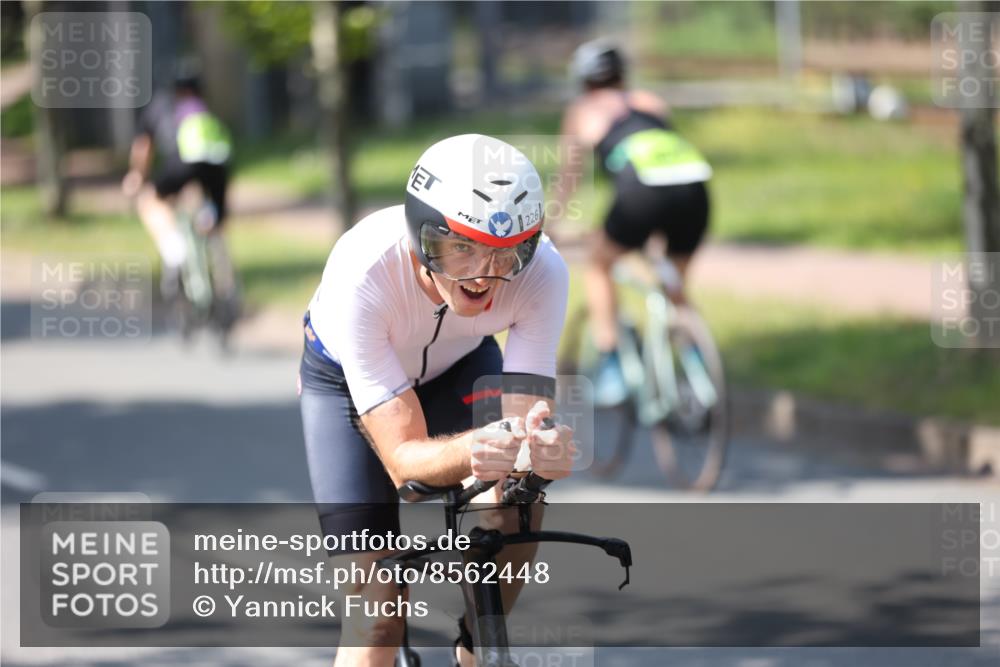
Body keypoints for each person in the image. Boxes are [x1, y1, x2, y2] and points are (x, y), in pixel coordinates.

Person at [299, 134, 576, 666]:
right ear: (422, 235)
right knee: (376, 613)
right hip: (343, 384)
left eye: (507, 252)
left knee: (520, 504)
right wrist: (474, 448)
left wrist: (540, 454)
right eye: (463, 247)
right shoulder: (364, 272)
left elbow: (524, 429)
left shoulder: (543, 273)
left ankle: (474, 645)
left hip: (460, 363)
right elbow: (405, 466)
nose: (484, 275)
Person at [553, 39, 712, 404]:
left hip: (643, 193)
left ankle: (610, 361)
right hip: (694, 188)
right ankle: (698, 362)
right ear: (622, 75)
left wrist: (552, 226)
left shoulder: (584, 109)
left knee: (598, 263)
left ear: (583, 81)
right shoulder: (651, 101)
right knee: (674, 286)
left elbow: (569, 178)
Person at [122, 59, 232, 297]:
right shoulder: (203, 108)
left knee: (150, 199)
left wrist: (136, 176)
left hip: (182, 162)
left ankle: (174, 250)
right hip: (218, 165)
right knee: (212, 216)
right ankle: (227, 283)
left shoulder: (161, 106)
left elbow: (143, 148)